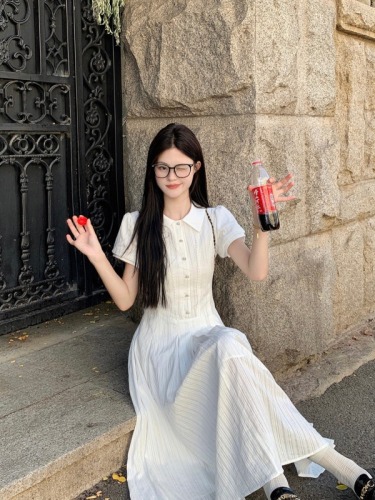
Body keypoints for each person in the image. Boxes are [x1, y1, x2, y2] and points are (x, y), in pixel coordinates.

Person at [66, 123, 374, 500]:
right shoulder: (137, 223)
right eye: (162, 167)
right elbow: (127, 299)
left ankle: (283, 484)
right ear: (153, 170)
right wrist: (97, 254)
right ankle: (323, 472)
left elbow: (256, 271)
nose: (171, 176)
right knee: (233, 350)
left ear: (196, 168)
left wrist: (264, 223)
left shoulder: (215, 219)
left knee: (230, 347)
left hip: (208, 335)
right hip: (158, 351)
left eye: (181, 167)